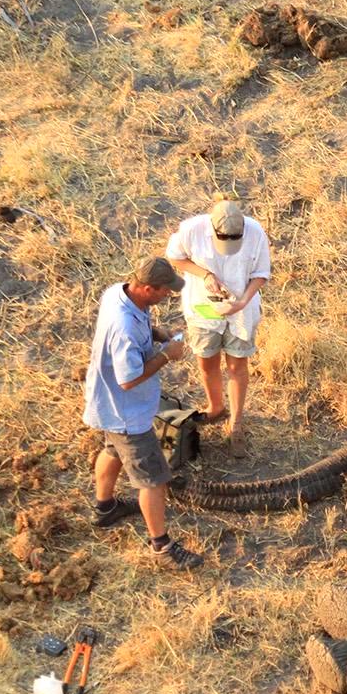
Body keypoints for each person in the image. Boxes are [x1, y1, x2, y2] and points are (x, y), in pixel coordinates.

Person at [82, 257, 205, 569]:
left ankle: (105, 507)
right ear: (148, 287)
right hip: (127, 413)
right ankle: (161, 547)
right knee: (153, 481)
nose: (168, 296)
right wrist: (167, 355)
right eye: (164, 292)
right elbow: (128, 379)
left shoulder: (117, 292)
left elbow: (139, 326)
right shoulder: (123, 329)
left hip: (108, 406)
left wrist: (157, 334)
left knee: (112, 450)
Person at [165, 194, 271, 456]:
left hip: (241, 311)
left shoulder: (255, 232)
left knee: (237, 365)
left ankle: (236, 423)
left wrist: (243, 301)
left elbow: (261, 273)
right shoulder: (192, 230)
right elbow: (175, 257)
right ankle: (215, 408)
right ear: (212, 229)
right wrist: (206, 275)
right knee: (206, 362)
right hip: (202, 309)